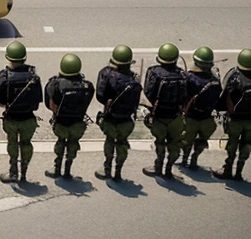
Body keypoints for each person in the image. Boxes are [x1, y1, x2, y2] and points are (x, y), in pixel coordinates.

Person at [213, 49, 251, 181]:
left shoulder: (236, 80)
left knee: (232, 144)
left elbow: (228, 101)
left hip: (236, 120)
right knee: (246, 144)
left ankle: (227, 169)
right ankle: (239, 171)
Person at [0, 40, 43, 184]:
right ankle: (24, 173)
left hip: (11, 118)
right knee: (26, 144)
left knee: (12, 144)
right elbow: (38, 100)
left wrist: (4, 104)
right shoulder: (33, 77)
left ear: (8, 58)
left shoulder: (4, 76)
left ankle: (13, 172)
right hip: (28, 118)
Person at [94, 44, 141, 182]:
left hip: (110, 117)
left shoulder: (107, 74)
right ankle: (118, 170)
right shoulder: (134, 80)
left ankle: (107, 167)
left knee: (109, 141)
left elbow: (100, 95)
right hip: (126, 120)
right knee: (122, 143)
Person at [44, 54, 95, 179]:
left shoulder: (54, 85)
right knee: (73, 144)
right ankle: (68, 170)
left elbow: (48, 104)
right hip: (77, 123)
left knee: (60, 142)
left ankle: (57, 169)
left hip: (61, 122)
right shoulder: (87, 86)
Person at [142, 43, 187, 180]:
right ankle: (169, 169)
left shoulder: (154, 72)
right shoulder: (183, 75)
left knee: (160, 142)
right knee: (175, 143)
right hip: (176, 117)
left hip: (159, 116)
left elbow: (148, 93)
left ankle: (158, 167)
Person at [179, 46, 222, 170]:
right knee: (202, 141)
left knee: (186, 141)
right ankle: (195, 158)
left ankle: (184, 159)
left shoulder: (189, 78)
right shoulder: (215, 81)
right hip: (207, 119)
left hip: (190, 118)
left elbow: (183, 96)